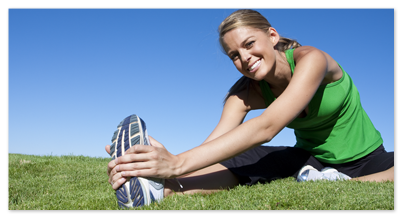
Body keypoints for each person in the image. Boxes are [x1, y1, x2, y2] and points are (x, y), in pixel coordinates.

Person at [105, 9, 394, 208]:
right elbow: (218, 144)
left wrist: (178, 161)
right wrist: (164, 170)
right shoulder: (246, 92)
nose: (245, 58)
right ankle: (164, 192)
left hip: (369, 159)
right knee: (246, 157)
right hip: (310, 160)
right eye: (234, 54)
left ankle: (339, 183)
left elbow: (268, 126)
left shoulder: (312, 60)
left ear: (271, 35)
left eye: (249, 43)